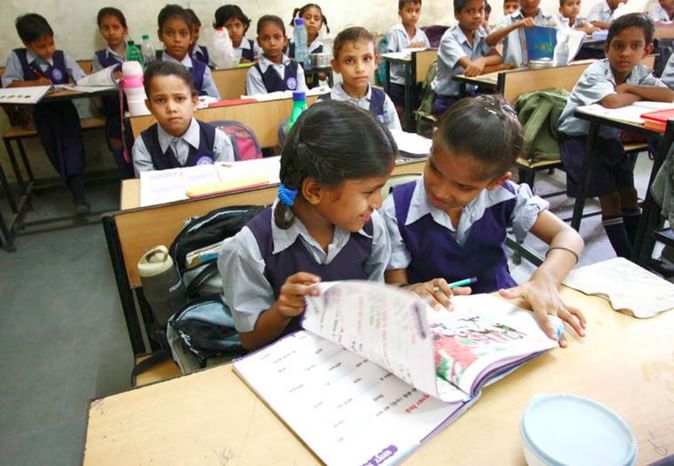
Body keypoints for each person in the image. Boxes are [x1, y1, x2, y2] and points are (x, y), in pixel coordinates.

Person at [382, 95, 587, 345]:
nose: (441, 191)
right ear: (433, 143)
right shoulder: (396, 210)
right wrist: (411, 292)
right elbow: (396, 289)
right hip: (439, 322)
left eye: (462, 186)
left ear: (495, 181)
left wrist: (545, 279)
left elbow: (568, 236)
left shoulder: (504, 195)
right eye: (435, 168)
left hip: (502, 310)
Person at [218, 101, 397, 350]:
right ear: (314, 191)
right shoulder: (250, 248)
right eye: (368, 192)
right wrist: (282, 310)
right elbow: (250, 340)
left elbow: (373, 305)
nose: (378, 203)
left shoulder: (371, 227)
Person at [558, 13, 674, 259]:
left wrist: (630, 88)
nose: (625, 53)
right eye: (619, 46)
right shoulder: (596, 71)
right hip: (578, 140)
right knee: (610, 197)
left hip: (609, 139)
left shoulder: (638, 73)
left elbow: (668, 95)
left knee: (629, 194)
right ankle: (629, 259)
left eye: (635, 46)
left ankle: (639, 254)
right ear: (607, 48)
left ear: (647, 50)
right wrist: (640, 93)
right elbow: (611, 101)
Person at [2, 13, 90, 214]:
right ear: (27, 44)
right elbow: (8, 84)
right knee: (56, 151)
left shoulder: (61, 56)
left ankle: (79, 196)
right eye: (41, 47)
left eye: (51, 43)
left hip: (65, 110)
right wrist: (34, 83)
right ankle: (75, 189)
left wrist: (76, 83)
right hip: (40, 114)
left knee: (72, 147)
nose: (48, 50)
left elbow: (81, 78)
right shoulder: (17, 57)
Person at [131, 61, 234, 175]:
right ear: (149, 106)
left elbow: (227, 182)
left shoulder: (217, 140)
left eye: (179, 99)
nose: (171, 108)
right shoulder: (143, 146)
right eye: (160, 100)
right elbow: (147, 185)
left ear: (194, 102)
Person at [322, 27, 401, 130]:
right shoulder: (324, 106)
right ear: (336, 66)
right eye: (349, 61)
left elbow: (396, 137)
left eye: (366, 59)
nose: (360, 69)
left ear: (376, 62)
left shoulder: (382, 100)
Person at [431, 0, 501, 115]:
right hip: (448, 99)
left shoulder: (480, 32)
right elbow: (471, 69)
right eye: (470, 11)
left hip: (471, 95)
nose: (477, 15)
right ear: (457, 14)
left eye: (481, 10)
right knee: (480, 119)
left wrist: (483, 60)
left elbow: (497, 57)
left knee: (498, 111)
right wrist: (504, 66)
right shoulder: (449, 39)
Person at [93, 7, 134, 179]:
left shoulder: (137, 51)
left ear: (125, 29)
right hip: (114, 109)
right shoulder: (99, 57)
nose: (111, 32)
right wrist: (110, 78)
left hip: (138, 108)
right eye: (105, 28)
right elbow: (97, 84)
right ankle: (126, 180)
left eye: (115, 27)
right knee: (119, 148)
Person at [157, 4, 220, 98]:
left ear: (191, 38)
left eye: (183, 34)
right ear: (160, 35)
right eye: (170, 33)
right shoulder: (151, 71)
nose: (177, 39)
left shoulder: (202, 70)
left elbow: (215, 101)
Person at [386, 0, 431, 110]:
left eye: (417, 11)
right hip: (397, 81)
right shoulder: (395, 32)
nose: (413, 14)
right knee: (398, 110)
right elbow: (389, 58)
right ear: (400, 13)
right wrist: (408, 50)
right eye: (409, 11)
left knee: (414, 109)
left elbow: (429, 56)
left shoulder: (421, 35)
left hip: (415, 82)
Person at [246, 15, 307, 95]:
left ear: (285, 40)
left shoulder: (296, 68)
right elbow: (259, 101)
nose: (272, 43)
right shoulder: (255, 72)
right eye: (265, 38)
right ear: (259, 42)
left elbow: (303, 96)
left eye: (277, 37)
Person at [486, 0, 557, 67]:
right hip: (514, 71)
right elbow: (489, 41)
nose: (529, 1)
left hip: (544, 71)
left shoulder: (551, 20)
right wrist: (515, 25)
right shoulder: (508, 20)